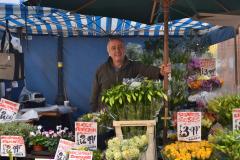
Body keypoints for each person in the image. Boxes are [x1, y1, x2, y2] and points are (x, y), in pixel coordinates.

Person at [90, 37, 171, 111]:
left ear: (124, 50)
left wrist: (161, 71)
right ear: (109, 52)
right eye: (113, 48)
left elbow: (148, 70)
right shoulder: (101, 70)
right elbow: (95, 95)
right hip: (106, 115)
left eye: (120, 47)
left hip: (127, 115)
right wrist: (93, 115)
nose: (117, 50)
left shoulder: (134, 66)